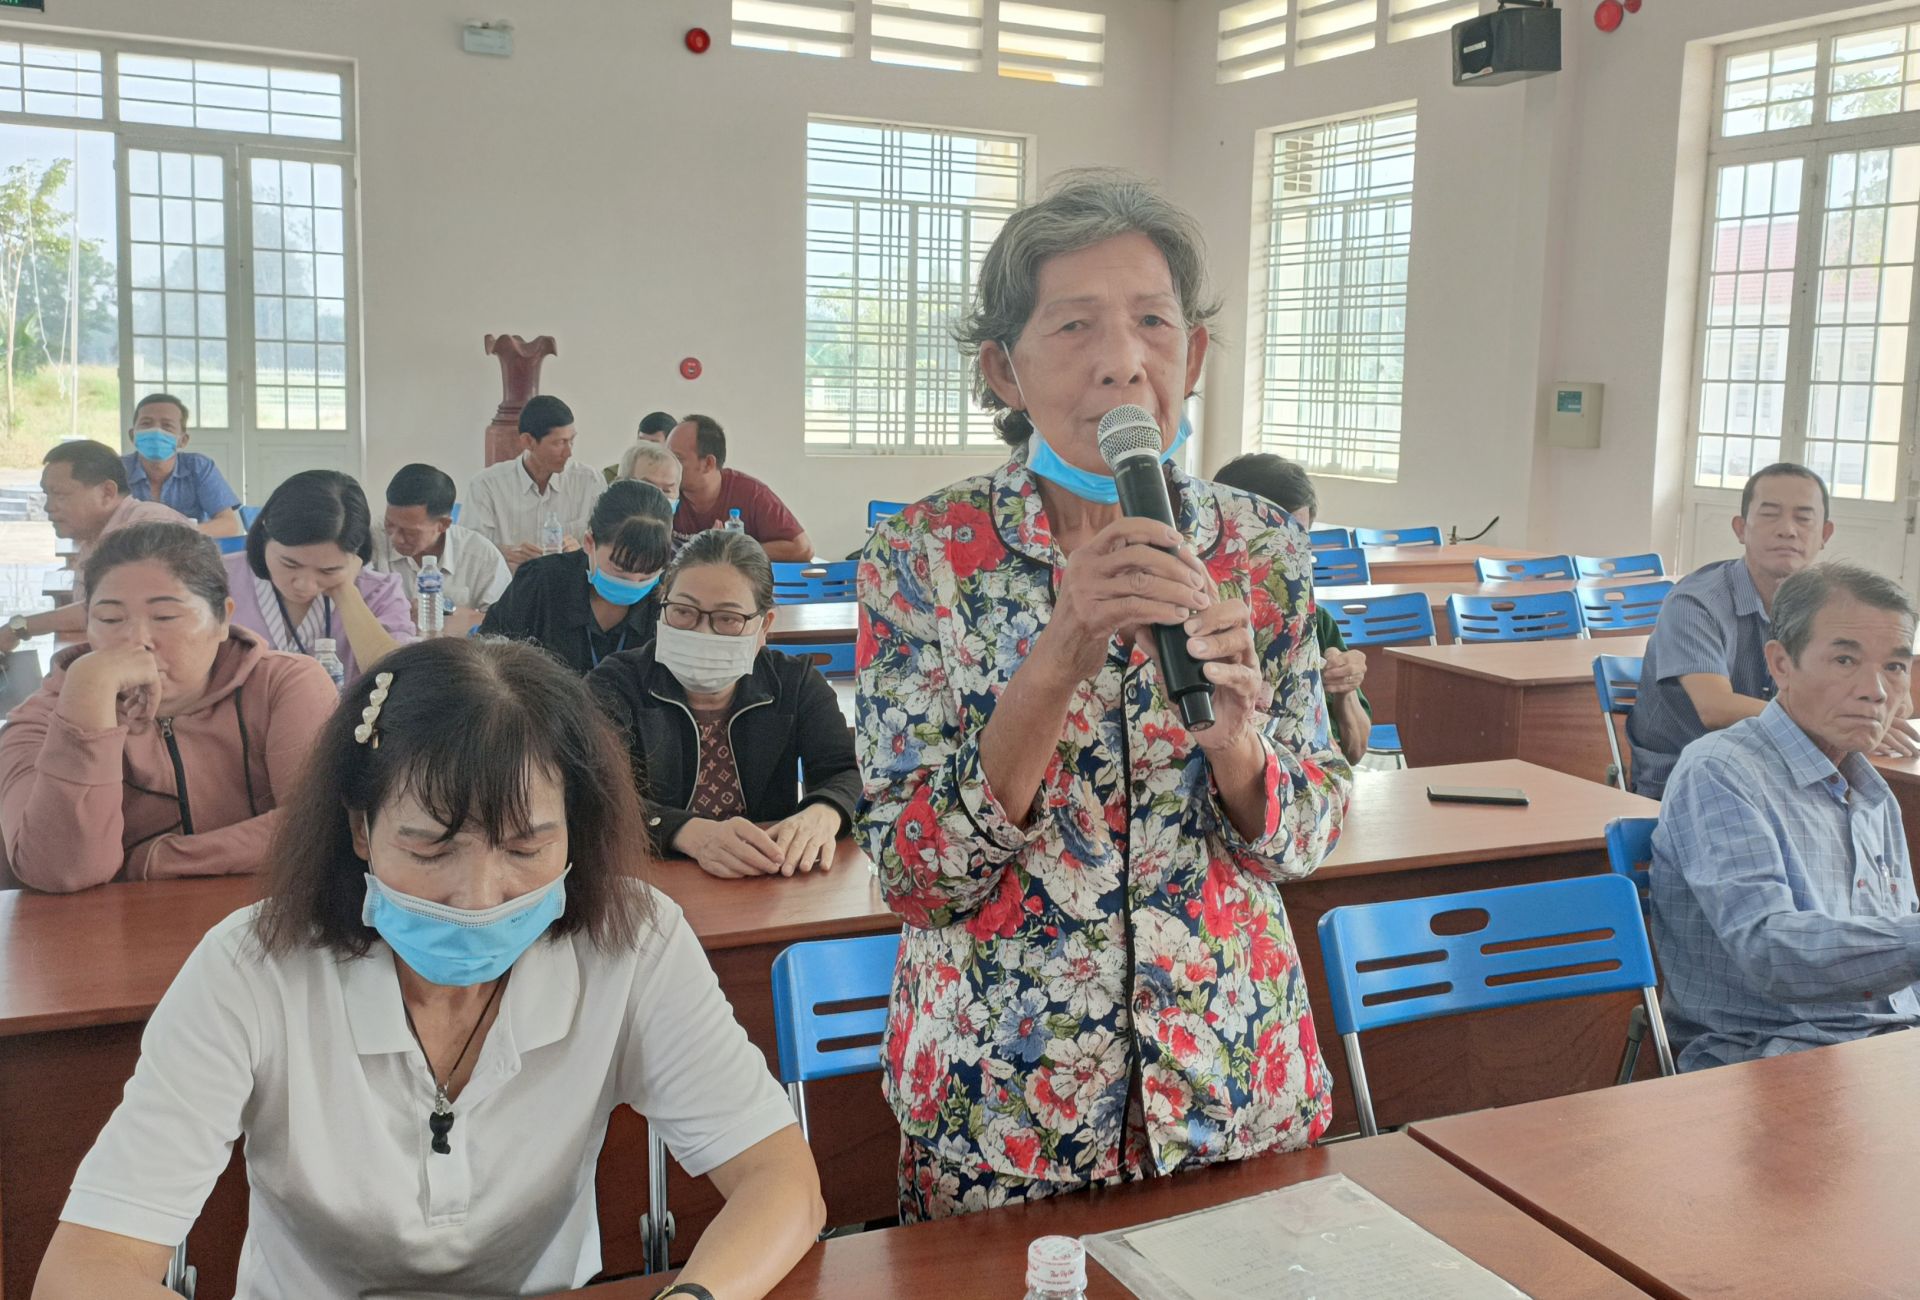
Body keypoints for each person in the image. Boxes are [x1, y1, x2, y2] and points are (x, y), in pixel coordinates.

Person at [33, 636, 824, 1298]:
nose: (477, 896)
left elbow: (780, 1183)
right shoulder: (251, 967)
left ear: (575, 832)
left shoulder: (634, 939)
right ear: (360, 830)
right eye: (428, 847)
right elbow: (85, 1270)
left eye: (526, 849)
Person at [856, 171, 1352, 1221]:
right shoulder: (924, 553)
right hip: (1006, 1112)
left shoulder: (1264, 546)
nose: (1123, 360)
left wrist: (1238, 748)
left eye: (1153, 323)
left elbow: (1308, 835)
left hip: (1233, 1085)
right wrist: (1056, 660)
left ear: (1194, 355)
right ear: (1003, 368)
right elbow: (912, 873)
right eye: (1076, 324)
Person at [1650, 561, 1920, 1071]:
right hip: (1772, 1053)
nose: (1876, 691)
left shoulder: (1873, 792)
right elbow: (1770, 952)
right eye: (1845, 660)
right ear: (1780, 664)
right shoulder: (1720, 771)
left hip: (1886, 1049)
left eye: (1895, 666)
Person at [0, 522, 337, 892]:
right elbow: (62, 872)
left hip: (260, 917)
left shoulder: (285, 684)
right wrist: (88, 696)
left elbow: (319, 828)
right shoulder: (39, 721)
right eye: (110, 620)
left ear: (223, 619)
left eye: (165, 617)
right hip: (111, 925)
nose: (137, 640)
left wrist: (151, 861)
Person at [1628, 463, 1918, 798]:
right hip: (1687, 785)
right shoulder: (1696, 603)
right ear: (1741, 529)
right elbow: (1715, 707)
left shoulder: (1830, 606)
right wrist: (1830, 720)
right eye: (1770, 515)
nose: (1787, 530)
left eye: (1803, 518)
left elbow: (1901, 703)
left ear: (1825, 535)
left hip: (1783, 776)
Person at [590, 529, 859, 879]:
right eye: (683, 611)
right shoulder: (616, 684)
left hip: (766, 880)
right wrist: (686, 832)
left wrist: (825, 810)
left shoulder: (794, 682)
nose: (701, 632)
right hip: (650, 880)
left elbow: (845, 771)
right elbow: (591, 792)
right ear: (662, 606)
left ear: (764, 626)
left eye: (728, 619)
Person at [1211, 453, 1371, 764]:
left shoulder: (1314, 622)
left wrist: (1346, 689)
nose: (1289, 558)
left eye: (1300, 541)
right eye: (1276, 540)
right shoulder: (1195, 622)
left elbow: (1354, 751)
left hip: (1301, 787)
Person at [0, 440, 189, 653]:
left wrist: (19, 628)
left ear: (107, 492)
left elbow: (112, 610)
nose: (48, 507)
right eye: (47, 494)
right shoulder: (97, 536)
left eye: (60, 495)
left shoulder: (147, 526)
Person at [226, 470, 414, 684]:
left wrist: (345, 592)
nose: (304, 585)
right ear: (264, 534)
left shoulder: (380, 593)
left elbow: (394, 680)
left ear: (355, 556)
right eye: (289, 564)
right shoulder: (222, 576)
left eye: (328, 570)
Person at [480, 480, 672, 674]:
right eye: (620, 570)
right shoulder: (540, 581)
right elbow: (487, 659)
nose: (634, 583)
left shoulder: (669, 601)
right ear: (589, 542)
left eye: (648, 574)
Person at [464, 395, 605, 568]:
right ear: (528, 441)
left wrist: (582, 551)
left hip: (571, 580)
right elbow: (468, 550)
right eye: (559, 443)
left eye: (571, 441)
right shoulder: (486, 485)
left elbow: (607, 545)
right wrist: (502, 553)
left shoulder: (589, 481)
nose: (569, 453)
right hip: (511, 581)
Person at [373, 463, 512, 624]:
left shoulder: (483, 558)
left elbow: (504, 625)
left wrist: (447, 611)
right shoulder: (372, 540)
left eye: (410, 532)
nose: (395, 538)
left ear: (443, 524)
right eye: (389, 525)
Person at [667, 414, 813, 562]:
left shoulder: (751, 494)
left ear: (708, 463)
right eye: (667, 456)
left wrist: (734, 549)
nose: (668, 465)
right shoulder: (662, 491)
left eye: (678, 458)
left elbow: (803, 549)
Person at [119, 393, 244, 537]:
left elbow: (228, 525)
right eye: (146, 423)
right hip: (131, 549)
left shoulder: (199, 467)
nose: (156, 431)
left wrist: (175, 535)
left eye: (167, 426)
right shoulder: (117, 469)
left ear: (183, 440)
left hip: (189, 547)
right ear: (132, 436)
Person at [605, 410, 678, 482]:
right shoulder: (611, 476)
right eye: (641, 442)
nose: (645, 448)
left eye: (653, 443)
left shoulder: (676, 480)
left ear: (669, 446)